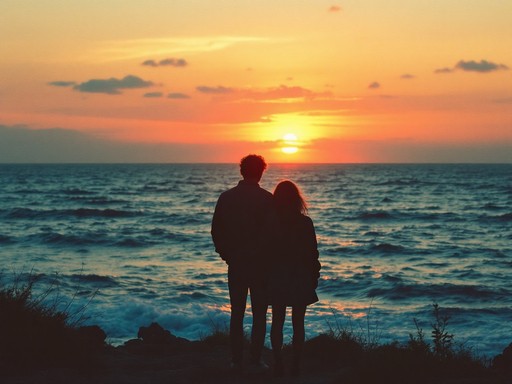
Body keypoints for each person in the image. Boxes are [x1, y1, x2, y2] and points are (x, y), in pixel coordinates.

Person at [211, 154, 274, 371]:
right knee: (259, 314)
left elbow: (216, 231)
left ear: (241, 171)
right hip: (260, 266)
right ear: (261, 172)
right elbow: (273, 235)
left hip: (236, 263)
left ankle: (236, 360)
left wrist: (226, 254)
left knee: (236, 313)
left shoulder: (226, 198)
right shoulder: (268, 199)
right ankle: (255, 360)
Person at [269, 180, 320, 377]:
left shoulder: (271, 222)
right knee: (298, 323)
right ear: (296, 199)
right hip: (299, 276)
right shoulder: (305, 223)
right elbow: (312, 254)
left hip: (277, 275)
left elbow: (266, 253)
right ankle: (296, 365)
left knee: (277, 322)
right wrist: (314, 276)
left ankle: (278, 362)